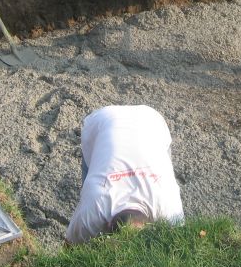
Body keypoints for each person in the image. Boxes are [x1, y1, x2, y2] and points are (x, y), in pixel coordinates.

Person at [65, 104, 184, 245]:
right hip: (100, 123)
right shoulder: (91, 214)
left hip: (151, 122)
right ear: (107, 225)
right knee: (88, 188)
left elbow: (177, 250)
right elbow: (69, 249)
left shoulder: (170, 210)